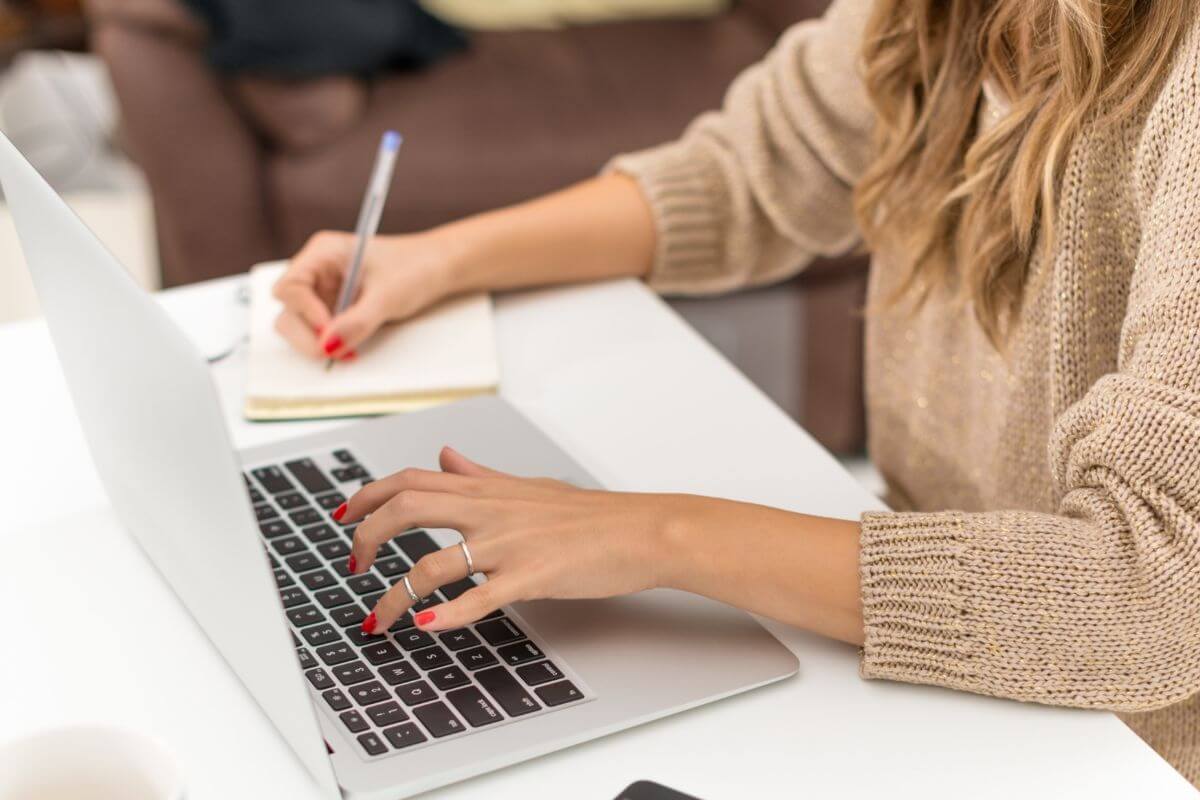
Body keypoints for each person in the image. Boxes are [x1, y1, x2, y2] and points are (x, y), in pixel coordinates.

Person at [273, 0, 1200, 784]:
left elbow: (1154, 595)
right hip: (936, 655)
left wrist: (652, 534)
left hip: (1126, 746)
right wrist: (438, 259)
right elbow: (748, 176)